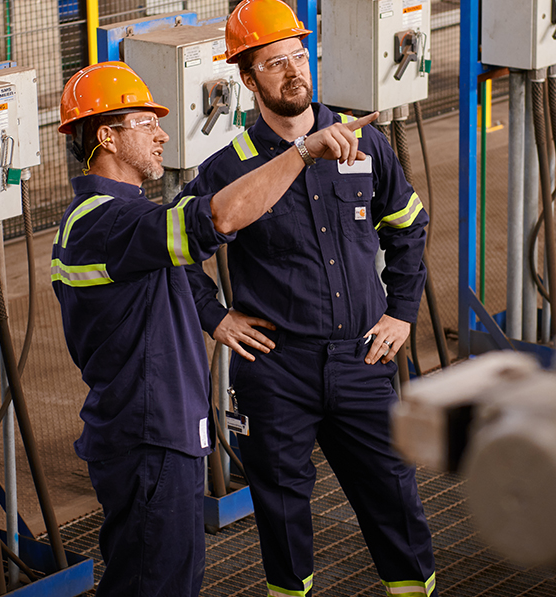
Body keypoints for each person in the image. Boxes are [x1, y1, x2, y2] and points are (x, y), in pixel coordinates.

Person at [52, 60, 377, 597]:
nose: (161, 134)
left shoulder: (108, 218)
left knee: (166, 579)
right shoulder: (107, 221)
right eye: (145, 123)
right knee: (152, 584)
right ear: (106, 135)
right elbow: (219, 219)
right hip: (150, 437)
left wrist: (216, 316)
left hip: (155, 433)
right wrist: (303, 152)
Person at [185, 1, 438, 595]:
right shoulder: (229, 169)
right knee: (281, 512)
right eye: (275, 63)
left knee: (395, 498)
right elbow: (175, 256)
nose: (294, 71)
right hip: (276, 370)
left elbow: (408, 226)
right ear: (247, 80)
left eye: (300, 56)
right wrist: (216, 317)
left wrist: (401, 313)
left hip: (363, 359)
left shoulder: (365, 143)